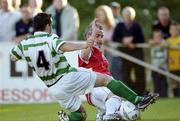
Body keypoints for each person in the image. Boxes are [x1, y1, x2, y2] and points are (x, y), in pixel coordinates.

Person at [10, 13, 158, 121]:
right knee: (106, 80)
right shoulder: (50, 38)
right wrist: (85, 44)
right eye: (51, 24)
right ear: (48, 25)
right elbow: (65, 46)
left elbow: (13, 57)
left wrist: (30, 57)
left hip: (54, 89)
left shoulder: (25, 44)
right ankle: (138, 100)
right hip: (66, 78)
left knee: (80, 115)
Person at [78, 22, 141, 121]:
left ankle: (102, 115)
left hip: (100, 88)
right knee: (115, 98)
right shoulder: (86, 48)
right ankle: (109, 117)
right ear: (88, 36)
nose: (100, 39)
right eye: (97, 36)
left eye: (101, 36)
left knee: (116, 109)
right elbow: (84, 56)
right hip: (95, 87)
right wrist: (90, 41)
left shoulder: (98, 51)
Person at [112, 6, 146, 95]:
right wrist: (123, 41)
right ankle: (131, 93)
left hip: (137, 53)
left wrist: (132, 40)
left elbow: (142, 39)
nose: (128, 17)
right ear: (123, 16)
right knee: (126, 75)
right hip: (124, 54)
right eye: (126, 15)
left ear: (133, 16)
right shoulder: (119, 26)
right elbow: (115, 38)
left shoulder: (137, 25)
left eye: (130, 15)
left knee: (139, 74)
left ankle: (141, 93)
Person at [149, 29, 168, 97]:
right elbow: (149, 42)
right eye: (156, 37)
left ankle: (165, 97)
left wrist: (160, 43)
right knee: (156, 84)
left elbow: (166, 44)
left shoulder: (164, 42)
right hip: (154, 67)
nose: (157, 38)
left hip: (163, 67)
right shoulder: (152, 43)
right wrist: (154, 42)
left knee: (163, 84)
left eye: (159, 36)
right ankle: (157, 97)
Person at [167, 21, 180, 97]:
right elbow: (166, 52)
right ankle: (175, 96)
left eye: (176, 30)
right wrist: (168, 58)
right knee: (173, 82)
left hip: (179, 65)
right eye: (172, 30)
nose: (174, 31)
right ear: (170, 31)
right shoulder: (168, 41)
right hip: (172, 65)